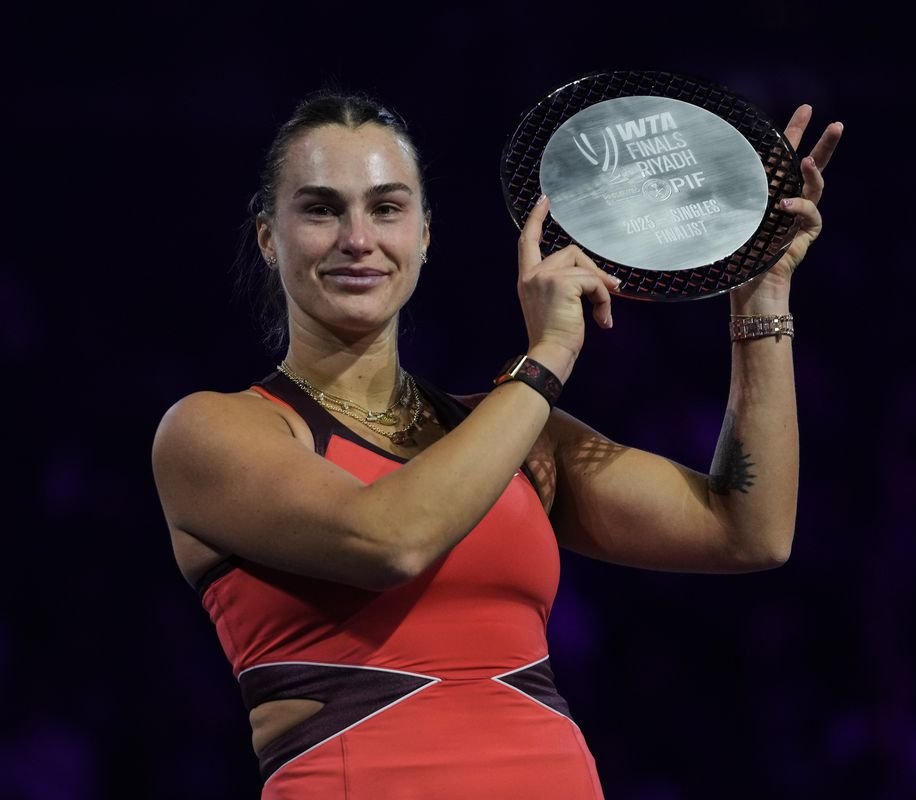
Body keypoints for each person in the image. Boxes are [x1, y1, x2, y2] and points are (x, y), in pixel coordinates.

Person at [151, 90, 842, 799]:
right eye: (322, 209)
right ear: (269, 239)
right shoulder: (212, 431)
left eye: (386, 208)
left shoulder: (513, 428)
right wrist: (547, 358)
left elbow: (748, 531)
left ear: (424, 234)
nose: (357, 239)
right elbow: (389, 541)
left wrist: (760, 295)